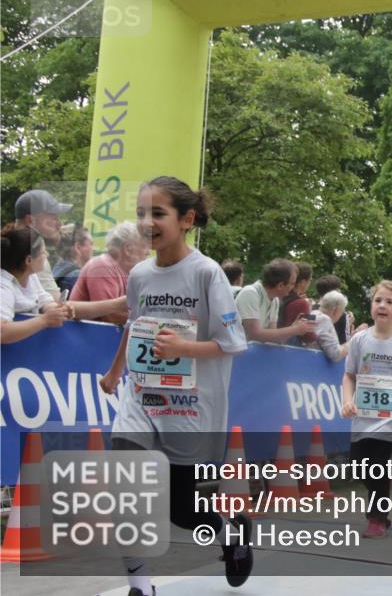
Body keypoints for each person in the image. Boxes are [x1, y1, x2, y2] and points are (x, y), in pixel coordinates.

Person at [97, 176, 251, 596]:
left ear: (187, 219)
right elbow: (135, 324)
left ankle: (228, 531)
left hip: (190, 406)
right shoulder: (140, 274)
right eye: (141, 213)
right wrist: (115, 372)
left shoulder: (206, 273)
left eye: (157, 213)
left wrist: (183, 347)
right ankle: (140, 586)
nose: (147, 222)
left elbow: (233, 342)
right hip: (141, 397)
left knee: (183, 511)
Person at [341, 280, 392, 539]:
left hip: (391, 417)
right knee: (358, 466)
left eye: (389, 302)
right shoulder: (359, 340)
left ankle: (377, 519)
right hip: (363, 416)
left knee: (376, 465)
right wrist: (347, 400)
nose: (383, 305)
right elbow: (348, 376)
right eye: (378, 300)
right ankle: (383, 488)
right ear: (371, 307)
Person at [1, 225, 128, 344]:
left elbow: (47, 303)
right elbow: (2, 331)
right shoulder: (4, 286)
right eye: (43, 252)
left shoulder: (31, 277)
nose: (47, 255)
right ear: (29, 260)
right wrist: (44, 320)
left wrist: (59, 310)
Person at [70, 220, 149, 324]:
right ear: (128, 249)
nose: (148, 252)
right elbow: (110, 316)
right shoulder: (102, 266)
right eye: (144, 246)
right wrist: (150, 321)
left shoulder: (124, 272)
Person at [235, 259, 315, 344]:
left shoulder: (275, 300)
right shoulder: (250, 293)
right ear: (280, 285)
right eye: (292, 283)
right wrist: (293, 330)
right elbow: (253, 334)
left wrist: (294, 328)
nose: (293, 287)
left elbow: (273, 337)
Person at [14, 188, 72, 302]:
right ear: (31, 220)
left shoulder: (12, 246)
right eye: (54, 217)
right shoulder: (33, 253)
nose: (60, 223)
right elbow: (57, 303)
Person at [52, 224, 93, 294]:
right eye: (91, 244)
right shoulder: (77, 277)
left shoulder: (56, 269)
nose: (93, 248)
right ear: (78, 247)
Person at [315, 290, 349, 362]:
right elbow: (335, 354)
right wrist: (354, 340)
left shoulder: (314, 314)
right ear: (336, 310)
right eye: (342, 311)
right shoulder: (324, 320)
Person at [315, 274, 349, 344]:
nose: (340, 291)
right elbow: (343, 341)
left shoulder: (311, 309)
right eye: (339, 289)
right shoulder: (341, 314)